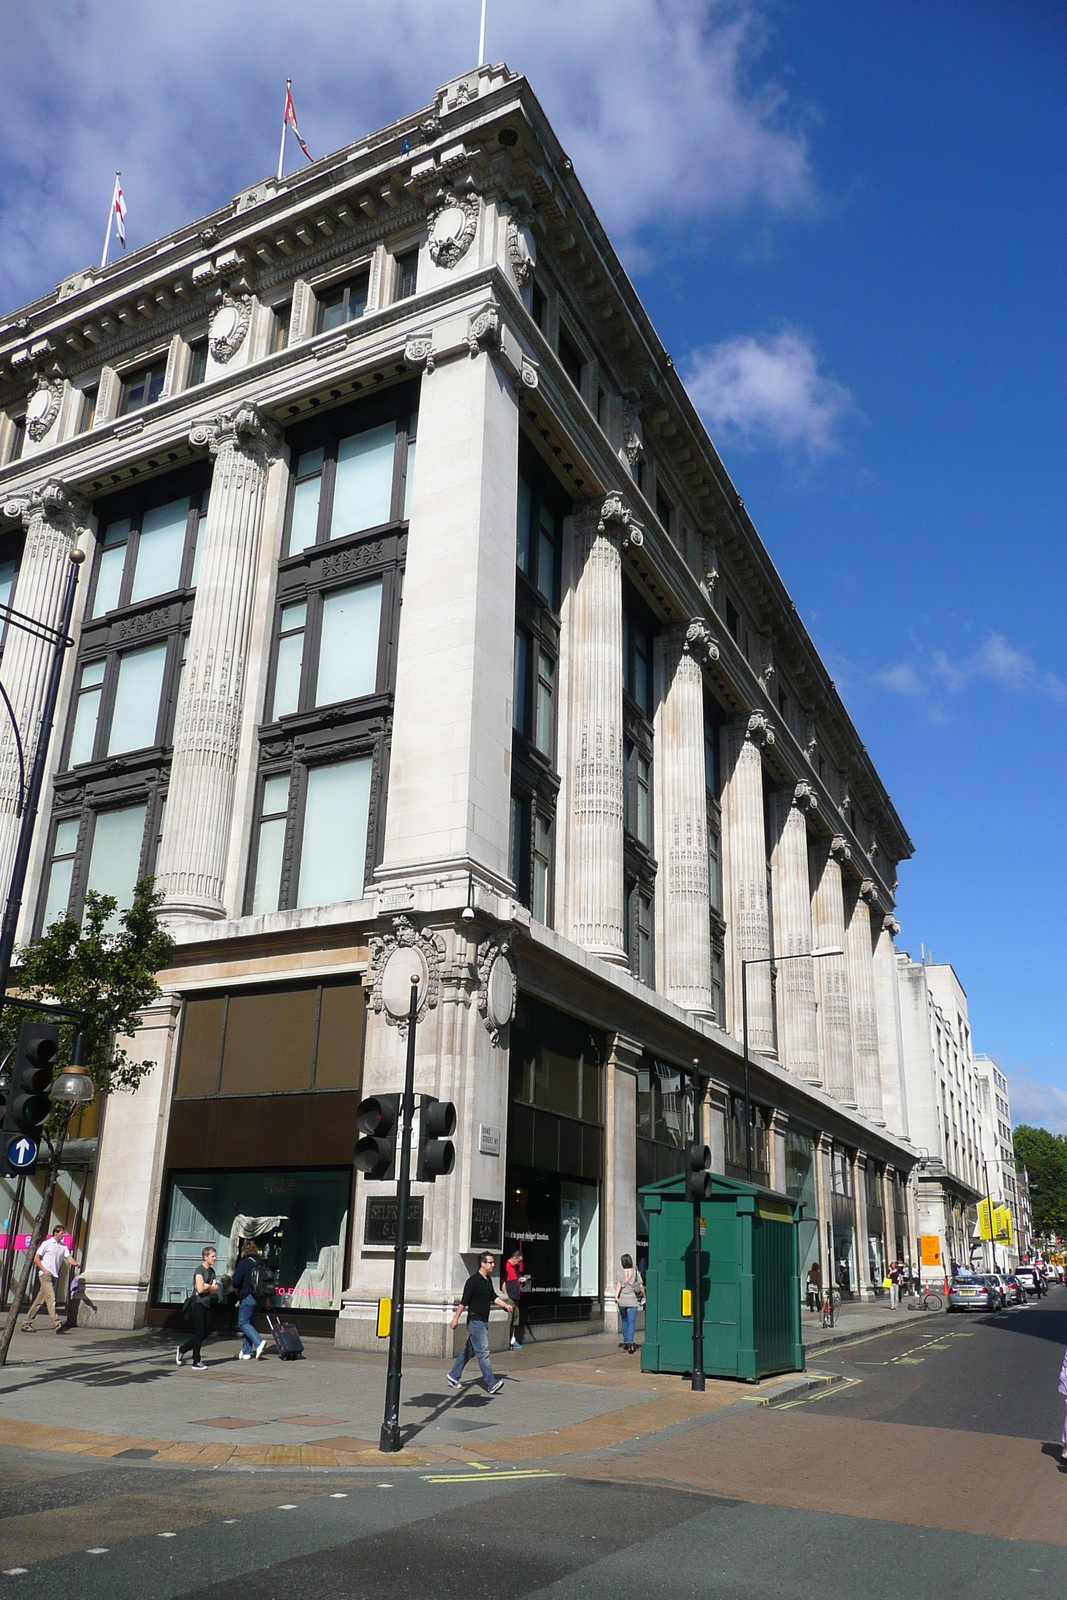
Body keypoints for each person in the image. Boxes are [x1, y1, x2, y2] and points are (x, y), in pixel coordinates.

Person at [446, 1252, 513, 1395]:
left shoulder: (488, 1281)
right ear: (482, 1264)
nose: (493, 1265)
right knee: (483, 1352)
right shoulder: (473, 1281)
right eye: (490, 1262)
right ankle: (491, 1383)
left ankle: (453, 1376)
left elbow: (493, 1297)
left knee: (469, 1352)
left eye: (493, 1262)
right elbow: (463, 1302)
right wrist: (455, 1318)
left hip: (483, 1321)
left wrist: (505, 1305)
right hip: (475, 1321)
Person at [22, 1225, 80, 1333]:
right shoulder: (47, 1244)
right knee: (51, 1298)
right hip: (45, 1275)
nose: (64, 1235)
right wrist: (43, 1269)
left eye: (64, 1233)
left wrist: (75, 1263)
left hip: (54, 1275)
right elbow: (36, 1257)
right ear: (55, 1233)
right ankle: (57, 1323)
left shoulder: (63, 1246)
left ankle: (26, 1322)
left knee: (39, 1300)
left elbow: (68, 1258)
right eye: (62, 1233)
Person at [176, 1245, 218, 1370]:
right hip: (198, 1304)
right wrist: (208, 1287)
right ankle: (196, 1361)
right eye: (212, 1256)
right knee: (199, 1332)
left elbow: (215, 1289)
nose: (214, 1259)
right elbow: (200, 1289)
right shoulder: (199, 1271)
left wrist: (208, 1287)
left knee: (206, 1332)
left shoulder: (212, 1272)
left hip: (207, 1304)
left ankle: (182, 1349)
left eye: (215, 1256)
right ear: (205, 1257)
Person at [230, 1239, 269, 1360]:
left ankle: (259, 1342)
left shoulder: (244, 1263)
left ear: (243, 1251)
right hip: (260, 1297)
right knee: (249, 1322)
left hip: (248, 1296)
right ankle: (246, 1352)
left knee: (243, 1323)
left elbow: (236, 1281)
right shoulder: (261, 1263)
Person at [615, 1254, 644, 1353]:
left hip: (622, 1300)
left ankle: (626, 1341)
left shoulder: (619, 1273)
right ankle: (630, 1343)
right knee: (631, 1323)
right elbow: (640, 1286)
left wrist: (616, 1297)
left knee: (624, 1321)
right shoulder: (635, 1272)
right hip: (632, 1300)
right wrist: (644, 1296)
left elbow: (618, 1285)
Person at [503, 1246, 527, 1349]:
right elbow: (503, 1282)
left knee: (515, 1320)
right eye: (519, 1261)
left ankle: (513, 1340)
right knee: (510, 1319)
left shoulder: (514, 1269)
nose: (519, 1264)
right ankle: (507, 1341)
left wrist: (520, 1280)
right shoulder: (506, 1267)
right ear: (515, 1258)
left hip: (515, 1297)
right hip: (510, 1298)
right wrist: (506, 1296)